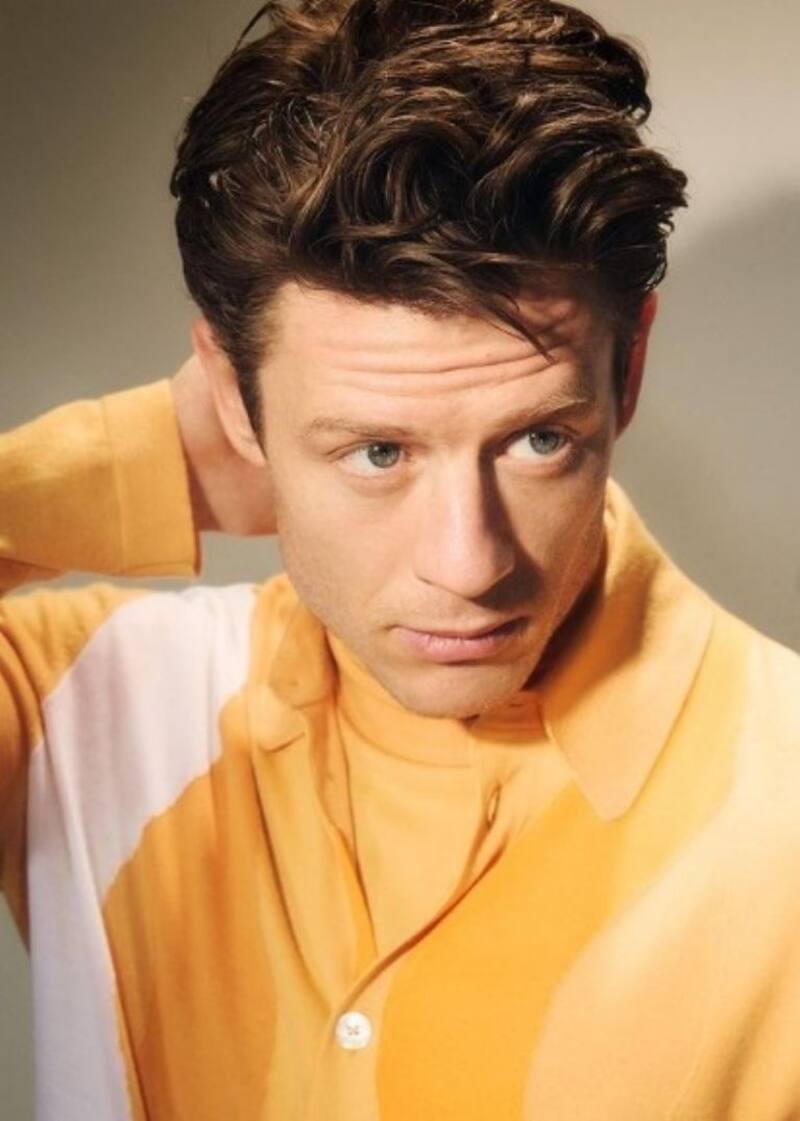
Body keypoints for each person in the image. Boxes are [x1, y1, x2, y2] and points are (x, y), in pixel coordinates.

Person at [1, 1, 799, 1118]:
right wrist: (147, 459)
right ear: (231, 394)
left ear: (626, 372)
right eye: (377, 451)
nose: (467, 565)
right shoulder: (83, 703)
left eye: (537, 439)